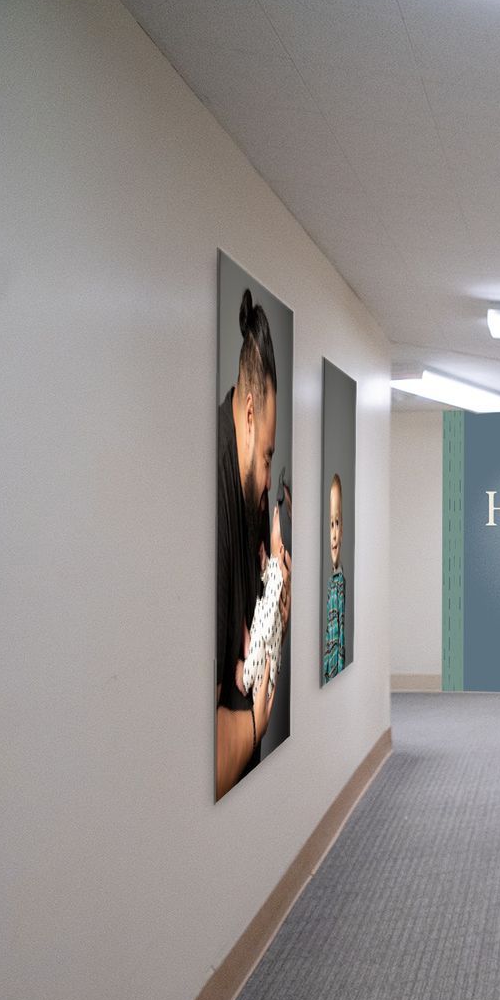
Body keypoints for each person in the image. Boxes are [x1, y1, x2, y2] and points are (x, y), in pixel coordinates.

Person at [215, 288, 287, 799]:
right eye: (266, 457)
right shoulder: (212, 500)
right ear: (246, 413)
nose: (267, 479)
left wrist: (276, 589)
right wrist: (256, 723)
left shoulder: (250, 500)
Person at [323, 473, 347, 682]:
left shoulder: (341, 587)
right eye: (330, 524)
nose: (333, 535)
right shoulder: (331, 586)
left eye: (337, 523)